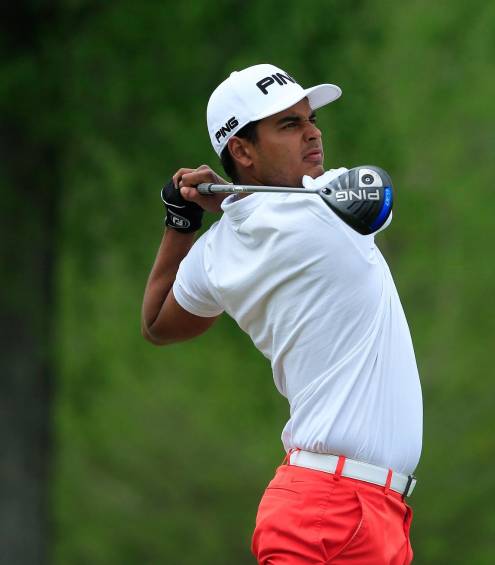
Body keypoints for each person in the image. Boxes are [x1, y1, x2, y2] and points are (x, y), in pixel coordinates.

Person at [141, 63, 423, 564]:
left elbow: (159, 322)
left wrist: (180, 222)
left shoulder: (217, 250)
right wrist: (215, 210)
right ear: (242, 151)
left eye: (310, 119)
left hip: (371, 511)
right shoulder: (329, 202)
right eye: (289, 125)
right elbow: (377, 192)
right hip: (325, 511)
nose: (313, 133)